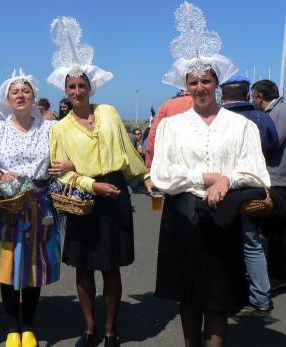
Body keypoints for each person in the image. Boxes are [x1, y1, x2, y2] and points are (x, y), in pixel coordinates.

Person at [151, 3, 270, 346]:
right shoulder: (171, 125)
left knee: (218, 295)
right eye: (193, 81)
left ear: (217, 83)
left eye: (206, 80)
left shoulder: (241, 124)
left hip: (223, 215)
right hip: (182, 214)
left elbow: (257, 172)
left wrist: (227, 180)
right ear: (186, 86)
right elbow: (161, 174)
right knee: (187, 295)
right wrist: (205, 177)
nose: (200, 87)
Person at [47, 16, 152, 347]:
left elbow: (127, 149)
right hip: (83, 197)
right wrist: (91, 183)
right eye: (71, 87)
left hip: (116, 191)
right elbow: (60, 172)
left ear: (90, 87)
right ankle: (89, 328)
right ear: (65, 90)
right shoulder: (59, 128)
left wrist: (146, 177)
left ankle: (110, 329)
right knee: (83, 267)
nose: (77, 91)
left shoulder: (108, 112)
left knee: (111, 267)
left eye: (82, 86)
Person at [0, 69, 68, 347]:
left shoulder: (51, 129)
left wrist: (67, 166)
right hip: (7, 204)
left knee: (34, 267)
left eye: (26, 91)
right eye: (15, 92)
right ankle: (11, 328)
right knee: (7, 265)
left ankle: (28, 326)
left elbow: (66, 158)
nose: (21, 95)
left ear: (34, 97)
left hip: (39, 203)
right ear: (7, 98)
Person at [221, 75, 279, 314]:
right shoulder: (261, 118)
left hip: (221, 187)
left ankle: (225, 293)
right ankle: (261, 297)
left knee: (221, 242)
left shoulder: (218, 120)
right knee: (252, 243)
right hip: (251, 187)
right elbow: (273, 147)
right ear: (247, 95)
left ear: (222, 96)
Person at [251, 79, 286, 284]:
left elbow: (272, 144)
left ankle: (278, 274)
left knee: (276, 229)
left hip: (278, 178)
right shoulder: (276, 111)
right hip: (278, 177)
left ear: (260, 97)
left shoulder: (279, 113)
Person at [145, 90, 194, 168]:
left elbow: (153, 137)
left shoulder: (167, 105)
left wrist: (150, 164)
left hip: (171, 165)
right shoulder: (208, 106)